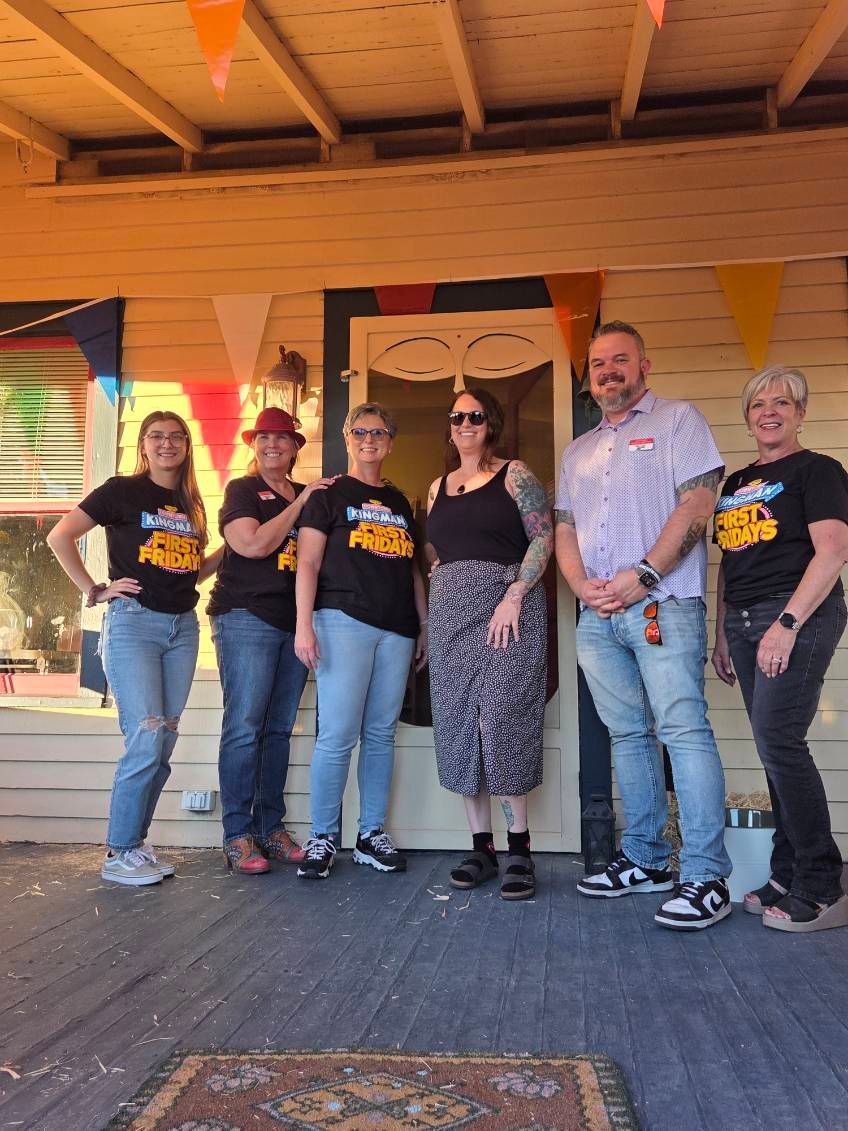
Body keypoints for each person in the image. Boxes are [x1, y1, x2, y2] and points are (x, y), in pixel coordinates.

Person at [555, 320, 732, 930]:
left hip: (664, 603)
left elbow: (699, 503)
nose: (608, 370)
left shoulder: (679, 421)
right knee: (628, 736)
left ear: (644, 366)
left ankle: (706, 875)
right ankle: (648, 860)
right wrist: (581, 587)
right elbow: (564, 529)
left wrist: (645, 575)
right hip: (598, 615)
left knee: (682, 730)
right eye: (598, 362)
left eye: (620, 360)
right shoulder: (577, 451)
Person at [47, 411, 218, 886]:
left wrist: (228, 551)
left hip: (183, 629)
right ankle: (119, 851)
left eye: (176, 437)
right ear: (143, 445)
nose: (167, 444)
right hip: (134, 626)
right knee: (145, 736)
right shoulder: (122, 490)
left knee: (163, 741)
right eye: (157, 437)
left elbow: (188, 571)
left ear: (186, 445)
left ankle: (137, 844)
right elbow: (60, 535)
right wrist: (94, 589)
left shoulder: (190, 503)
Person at [712, 366, 848, 932]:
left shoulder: (818, 470)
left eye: (782, 402)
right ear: (748, 416)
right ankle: (786, 868)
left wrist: (787, 623)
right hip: (743, 620)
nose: (769, 411)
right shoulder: (736, 482)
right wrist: (722, 631)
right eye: (759, 403)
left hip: (795, 613)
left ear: (800, 413)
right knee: (773, 747)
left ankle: (823, 884)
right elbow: (730, 561)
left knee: (780, 742)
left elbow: (834, 550)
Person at [426, 387, 552, 901]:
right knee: (458, 721)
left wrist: (515, 592)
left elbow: (542, 537)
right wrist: (443, 572)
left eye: (475, 415)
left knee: (501, 715)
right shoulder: (437, 486)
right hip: (450, 617)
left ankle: (519, 847)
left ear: (490, 423)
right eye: (457, 416)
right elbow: (439, 542)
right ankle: (482, 846)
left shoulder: (515, 474)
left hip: (507, 610)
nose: (465, 423)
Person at [294, 402, 428, 879]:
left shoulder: (398, 501)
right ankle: (322, 837)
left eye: (379, 432)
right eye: (359, 431)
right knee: (336, 735)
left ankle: (371, 833)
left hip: (396, 628)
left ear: (390, 442)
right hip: (342, 620)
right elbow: (307, 562)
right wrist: (303, 624)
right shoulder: (328, 495)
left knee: (379, 735)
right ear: (347, 438)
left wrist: (423, 623)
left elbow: (411, 567)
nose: (369, 439)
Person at [207, 407, 337, 875]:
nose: (272, 445)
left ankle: (271, 828)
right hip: (246, 616)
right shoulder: (243, 491)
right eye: (263, 438)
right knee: (245, 725)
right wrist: (301, 505)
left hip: (293, 622)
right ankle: (238, 835)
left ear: (296, 446)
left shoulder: (306, 493)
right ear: (253, 445)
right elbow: (254, 545)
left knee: (279, 728)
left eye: (281, 438)